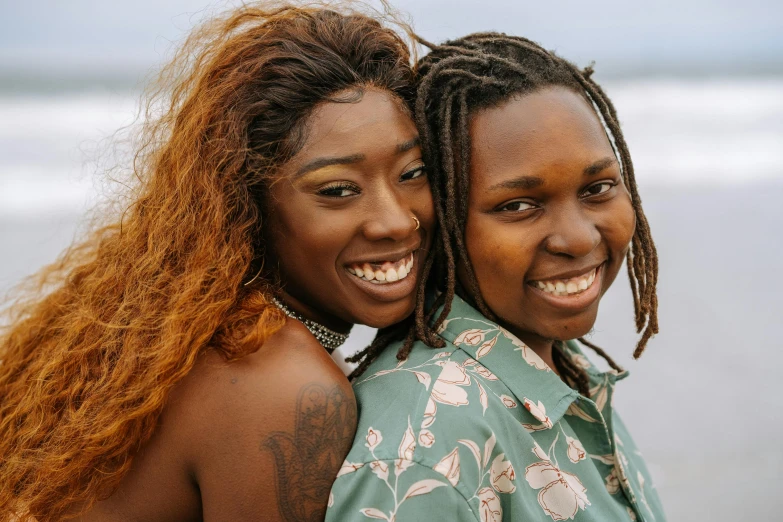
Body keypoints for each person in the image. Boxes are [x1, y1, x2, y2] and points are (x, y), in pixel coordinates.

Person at [0, 3, 434, 521]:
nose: (394, 221)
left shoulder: (183, 338)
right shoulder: (283, 387)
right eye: (338, 190)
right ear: (245, 205)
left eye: (414, 172)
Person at [327, 33, 665, 521]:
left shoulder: (562, 373)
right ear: (441, 219)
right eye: (518, 206)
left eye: (598, 188)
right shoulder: (426, 446)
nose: (577, 238)